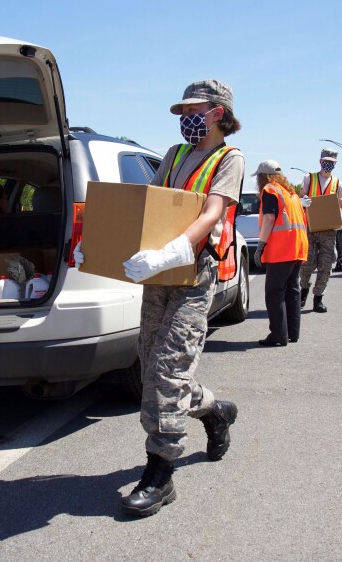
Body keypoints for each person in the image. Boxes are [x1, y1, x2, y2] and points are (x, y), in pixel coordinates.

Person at [114, 79, 243, 516]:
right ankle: (215, 411)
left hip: (193, 272)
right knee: (151, 365)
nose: (185, 119)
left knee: (169, 369)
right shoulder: (174, 154)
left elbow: (212, 213)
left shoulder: (229, 158)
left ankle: (160, 471)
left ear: (218, 113)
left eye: (193, 111)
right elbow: (151, 203)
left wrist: (174, 251)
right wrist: (101, 243)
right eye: (181, 111)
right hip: (160, 275)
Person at [252, 160, 308, 346]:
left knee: (274, 292)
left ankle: (278, 335)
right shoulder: (291, 194)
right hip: (297, 248)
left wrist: (260, 246)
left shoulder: (270, 190)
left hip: (281, 249)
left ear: (262, 177)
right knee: (292, 291)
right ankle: (292, 333)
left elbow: (269, 218)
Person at [298, 148, 342, 312]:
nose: (328, 165)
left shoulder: (338, 183)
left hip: (328, 231)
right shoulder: (309, 178)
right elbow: (300, 197)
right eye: (326, 162)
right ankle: (303, 292)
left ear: (335, 164)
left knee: (326, 265)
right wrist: (302, 201)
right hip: (310, 228)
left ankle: (318, 298)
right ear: (320, 161)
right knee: (306, 264)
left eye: (331, 163)